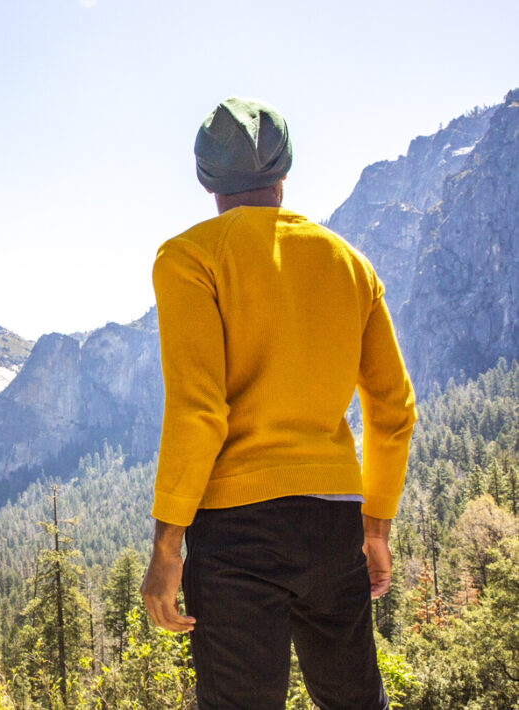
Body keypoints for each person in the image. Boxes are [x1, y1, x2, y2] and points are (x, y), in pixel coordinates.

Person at [139, 97, 417, 709]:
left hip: (238, 529)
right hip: (333, 522)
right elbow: (393, 408)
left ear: (206, 179)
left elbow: (199, 409)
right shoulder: (351, 265)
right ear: (283, 172)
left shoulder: (189, 257)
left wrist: (166, 549)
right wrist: (376, 527)